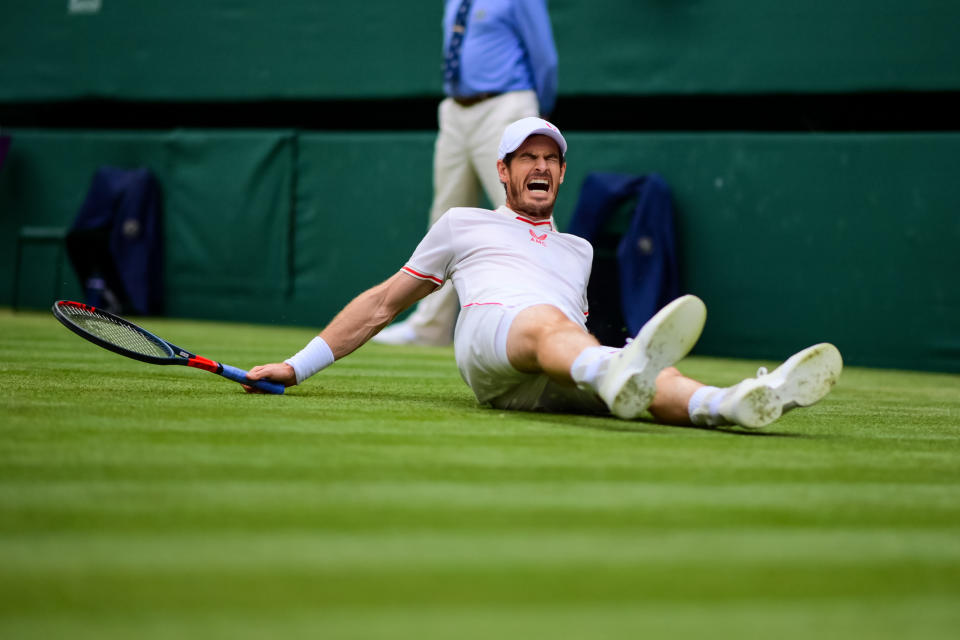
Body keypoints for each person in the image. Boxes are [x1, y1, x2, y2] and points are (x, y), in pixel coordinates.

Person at [245, 118, 843, 430]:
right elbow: (382, 304)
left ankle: (734, 403)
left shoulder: (578, 250)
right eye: (527, 157)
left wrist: (606, 356)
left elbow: (566, 333)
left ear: (561, 172)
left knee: (649, 377)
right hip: (489, 343)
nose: (541, 166)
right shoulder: (462, 223)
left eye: (551, 158)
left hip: (550, 365)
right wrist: (298, 367)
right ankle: (613, 368)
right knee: (548, 324)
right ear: (503, 172)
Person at [373, 0, 558, 346]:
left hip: (506, 105)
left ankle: (561, 317)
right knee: (446, 216)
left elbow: (545, 59)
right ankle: (430, 327)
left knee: (529, 212)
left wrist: (533, 123)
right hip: (456, 110)